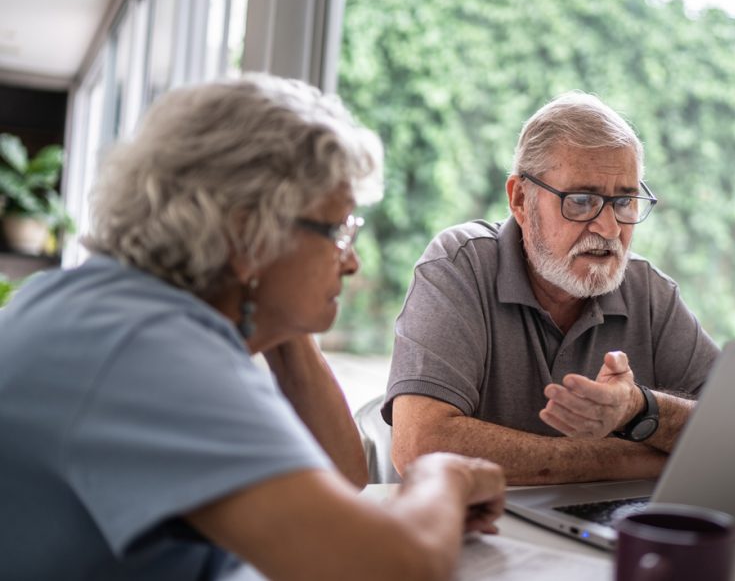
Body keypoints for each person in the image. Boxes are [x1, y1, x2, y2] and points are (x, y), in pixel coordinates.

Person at [0, 74, 504, 580]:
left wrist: (279, 318)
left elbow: (344, 479)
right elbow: (392, 568)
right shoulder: (149, 353)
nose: (350, 263)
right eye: (338, 231)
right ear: (247, 232)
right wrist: (444, 474)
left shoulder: (106, 306)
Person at [385, 91, 720, 485]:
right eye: (581, 200)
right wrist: (648, 459)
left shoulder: (649, 291)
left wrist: (641, 408)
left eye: (625, 201)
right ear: (520, 199)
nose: (609, 229)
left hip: (601, 535)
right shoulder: (460, 265)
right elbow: (420, 447)